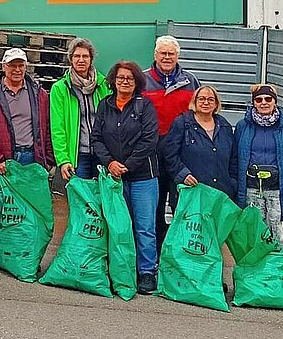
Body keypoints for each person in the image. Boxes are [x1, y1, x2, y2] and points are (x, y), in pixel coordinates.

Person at [0, 48, 54, 273]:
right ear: (3, 67)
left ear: (26, 67)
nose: (17, 69)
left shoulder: (39, 95)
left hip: (30, 160)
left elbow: (46, 128)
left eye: (21, 65)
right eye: (12, 65)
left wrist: (47, 161)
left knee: (27, 212)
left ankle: (23, 256)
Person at [91, 60, 159, 295]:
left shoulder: (145, 106)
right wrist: (109, 162)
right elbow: (96, 138)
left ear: (137, 82)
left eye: (130, 78)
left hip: (143, 178)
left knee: (144, 227)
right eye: (120, 77)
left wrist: (127, 166)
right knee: (118, 227)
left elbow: (150, 140)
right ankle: (122, 271)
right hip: (114, 178)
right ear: (113, 80)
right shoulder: (105, 105)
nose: (125, 81)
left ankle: (147, 272)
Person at [234, 84, 283, 285]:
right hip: (251, 191)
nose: (264, 103)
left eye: (268, 99)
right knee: (256, 237)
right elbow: (234, 160)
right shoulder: (243, 126)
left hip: (279, 192)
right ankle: (257, 279)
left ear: (275, 101)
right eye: (259, 100)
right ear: (253, 103)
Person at [142, 35, 200, 253]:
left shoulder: (191, 82)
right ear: (155, 55)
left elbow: (199, 115)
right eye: (163, 53)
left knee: (181, 208)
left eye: (171, 54)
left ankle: (180, 254)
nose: (167, 57)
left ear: (178, 56)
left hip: (180, 158)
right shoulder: (143, 80)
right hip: (151, 157)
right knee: (153, 209)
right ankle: (155, 255)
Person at [50, 37, 110, 181]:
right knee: (80, 194)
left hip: (102, 153)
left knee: (103, 193)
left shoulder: (103, 85)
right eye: (77, 56)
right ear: (71, 59)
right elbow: (57, 127)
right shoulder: (60, 88)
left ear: (91, 59)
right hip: (78, 156)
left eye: (85, 56)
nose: (81, 60)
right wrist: (63, 159)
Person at [162, 85, 237, 200]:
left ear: (216, 104)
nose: (206, 103)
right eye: (201, 99)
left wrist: (232, 183)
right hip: (190, 192)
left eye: (210, 99)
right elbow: (169, 155)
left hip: (220, 195)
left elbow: (233, 158)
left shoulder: (224, 125)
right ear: (194, 101)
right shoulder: (182, 123)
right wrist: (182, 174)